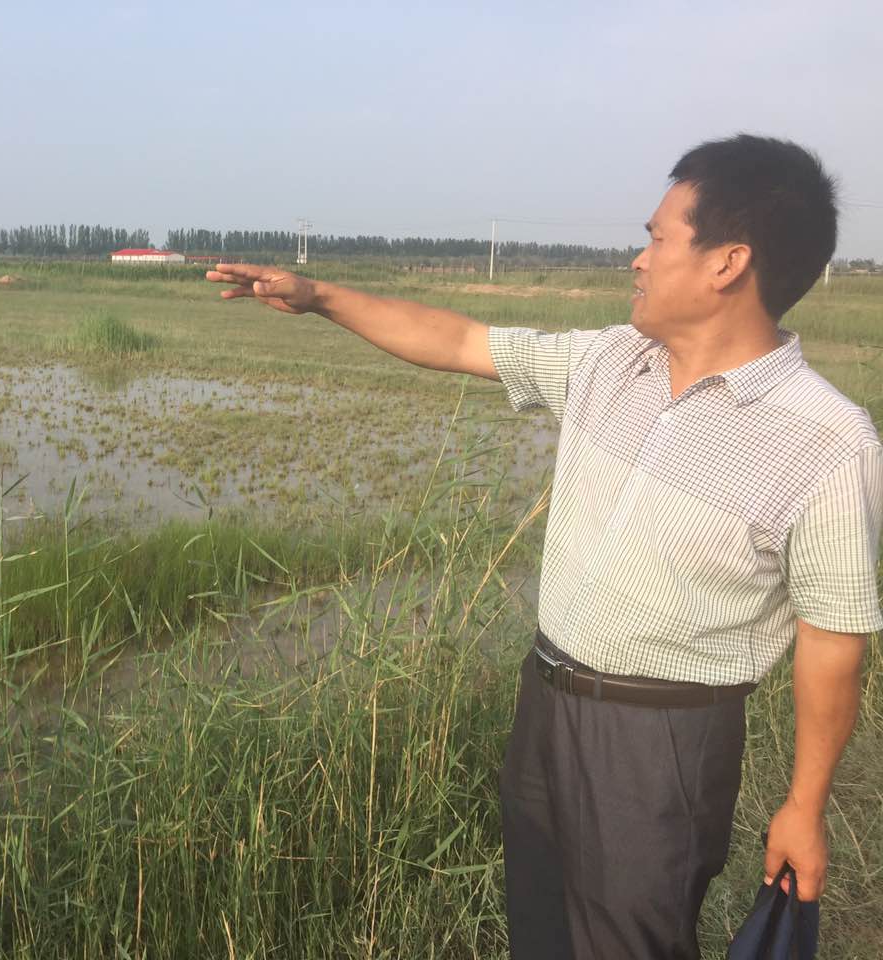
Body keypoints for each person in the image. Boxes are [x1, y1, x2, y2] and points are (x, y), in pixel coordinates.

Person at [205, 133, 882, 959]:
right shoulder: (608, 361)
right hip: (547, 695)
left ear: (726, 263)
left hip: (661, 744)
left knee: (629, 942)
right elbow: (457, 341)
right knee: (541, 928)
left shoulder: (826, 442)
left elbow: (833, 642)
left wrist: (803, 808)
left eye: (658, 237)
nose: (638, 260)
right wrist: (318, 296)